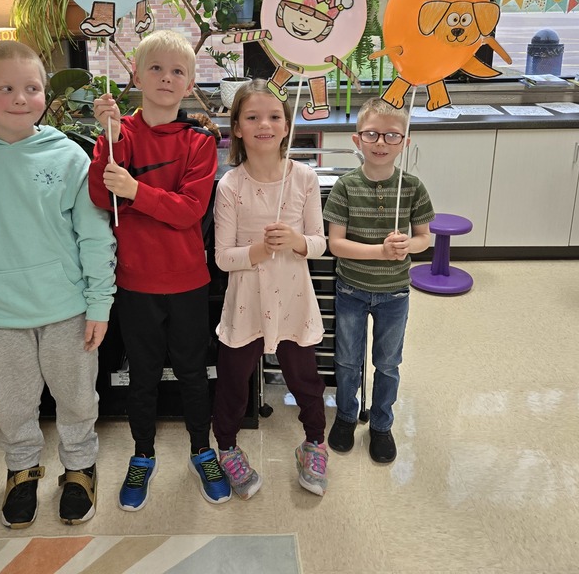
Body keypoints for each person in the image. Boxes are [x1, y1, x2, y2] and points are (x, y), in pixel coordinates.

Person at [0, 40, 115, 529]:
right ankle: (22, 468)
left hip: (67, 308)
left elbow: (95, 236)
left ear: (44, 94)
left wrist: (100, 303)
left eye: (31, 88)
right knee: (12, 402)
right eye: (5, 88)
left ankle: (79, 466)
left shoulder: (70, 155)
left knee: (77, 396)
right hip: (0, 311)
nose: (19, 98)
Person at [88, 30, 231, 510]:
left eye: (177, 71)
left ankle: (201, 449)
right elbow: (99, 197)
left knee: (193, 372)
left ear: (190, 82)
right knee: (143, 375)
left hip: (188, 280)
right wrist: (107, 144)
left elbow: (190, 210)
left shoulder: (199, 141)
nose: (166, 78)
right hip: (134, 281)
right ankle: (142, 455)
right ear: (135, 75)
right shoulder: (119, 131)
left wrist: (135, 193)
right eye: (156, 69)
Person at [211, 79, 329, 498]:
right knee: (232, 380)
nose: (265, 124)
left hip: (294, 299)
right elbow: (223, 256)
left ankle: (314, 442)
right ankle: (226, 447)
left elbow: (319, 243)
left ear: (287, 124)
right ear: (237, 128)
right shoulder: (230, 186)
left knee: (305, 378)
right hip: (246, 301)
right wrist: (259, 250)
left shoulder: (304, 177)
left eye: (274, 116)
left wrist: (297, 242)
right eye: (253, 117)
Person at [323, 98, 434, 463]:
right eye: (372, 134)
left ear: (406, 142)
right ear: (358, 140)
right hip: (351, 289)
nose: (381, 142)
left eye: (391, 135)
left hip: (394, 294)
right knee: (347, 361)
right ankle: (344, 416)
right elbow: (336, 243)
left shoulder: (413, 187)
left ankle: (382, 424)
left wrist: (407, 246)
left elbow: (423, 238)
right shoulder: (345, 186)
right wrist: (380, 252)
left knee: (387, 364)